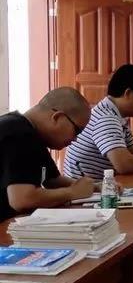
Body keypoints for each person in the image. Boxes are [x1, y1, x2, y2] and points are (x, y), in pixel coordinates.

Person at [1, 87, 97, 221]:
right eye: (77, 131)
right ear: (57, 117)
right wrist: (73, 192)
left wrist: (94, 187)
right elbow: (22, 200)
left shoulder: (31, 132)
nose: (75, 139)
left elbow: (52, 181)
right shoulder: (18, 133)